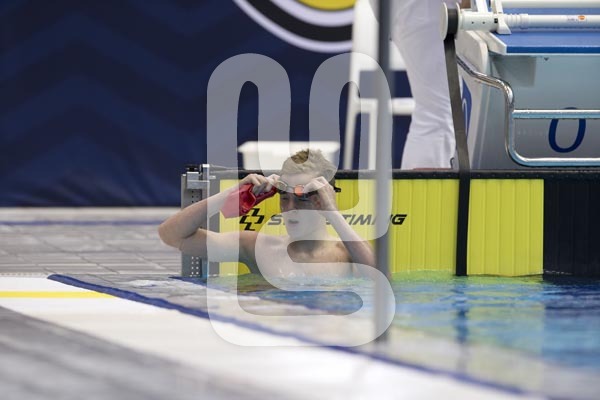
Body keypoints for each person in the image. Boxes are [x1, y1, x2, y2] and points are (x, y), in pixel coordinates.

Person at [158, 149, 375, 278]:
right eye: (284, 197)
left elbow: (382, 282)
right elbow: (171, 235)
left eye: (302, 198)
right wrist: (230, 194)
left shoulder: (347, 253)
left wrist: (332, 212)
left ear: (324, 199)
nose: (290, 208)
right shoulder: (257, 248)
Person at [387, 0, 460, 169]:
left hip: (416, 10)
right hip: (425, 9)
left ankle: (420, 185)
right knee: (439, 114)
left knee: (437, 112)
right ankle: (426, 186)